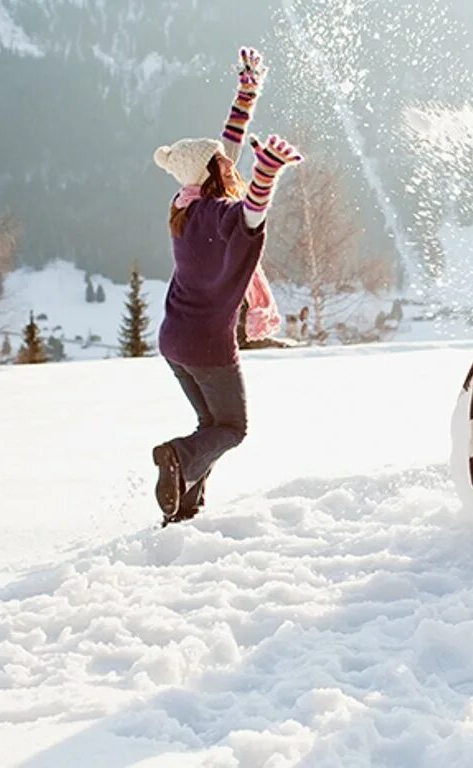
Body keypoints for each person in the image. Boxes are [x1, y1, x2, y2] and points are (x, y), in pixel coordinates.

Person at [150, 47, 302, 525]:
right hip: (207, 347)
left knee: (209, 427)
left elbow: (227, 148)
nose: (227, 160)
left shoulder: (187, 206)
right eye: (223, 162)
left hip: (173, 341)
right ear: (217, 171)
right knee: (233, 428)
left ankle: (184, 507)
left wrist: (248, 90)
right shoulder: (220, 217)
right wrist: (268, 173)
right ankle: (175, 457)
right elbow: (252, 214)